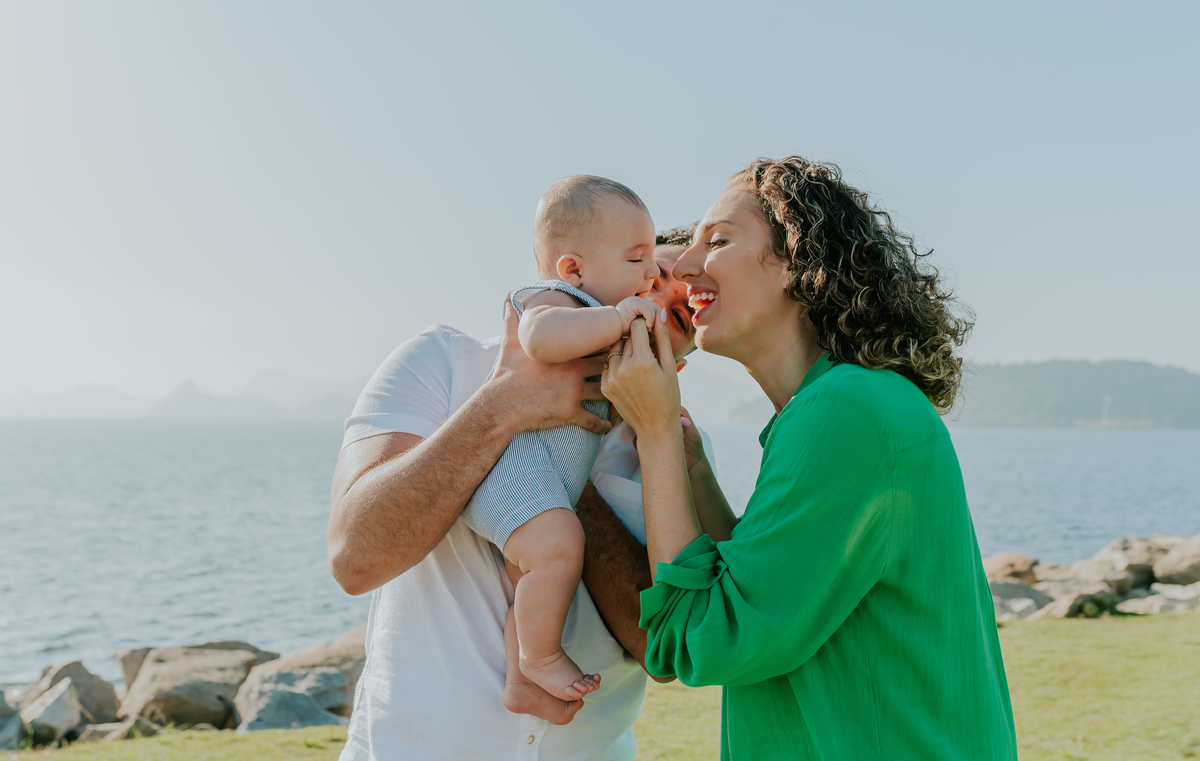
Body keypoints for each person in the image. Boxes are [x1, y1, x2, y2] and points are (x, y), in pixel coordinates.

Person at [601, 156, 1019, 760]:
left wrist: (657, 431)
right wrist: (690, 465)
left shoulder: (846, 410)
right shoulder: (838, 403)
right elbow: (761, 592)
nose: (685, 265)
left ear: (800, 261)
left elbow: (703, 638)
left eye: (717, 241)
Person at [328, 228, 698, 760]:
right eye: (650, 279)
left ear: (678, 364)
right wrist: (506, 405)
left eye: (679, 318)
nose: (654, 308)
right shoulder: (439, 361)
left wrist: (566, 480)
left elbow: (661, 651)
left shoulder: (674, 449)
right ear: (587, 272)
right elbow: (354, 558)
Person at [461, 175, 662, 718]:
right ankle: (543, 656)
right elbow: (540, 338)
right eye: (636, 258)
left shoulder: (594, 322)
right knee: (558, 548)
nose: (651, 272)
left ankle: (523, 675)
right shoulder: (554, 299)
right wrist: (620, 318)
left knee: (535, 579)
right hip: (515, 476)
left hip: (541, 481)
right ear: (573, 268)